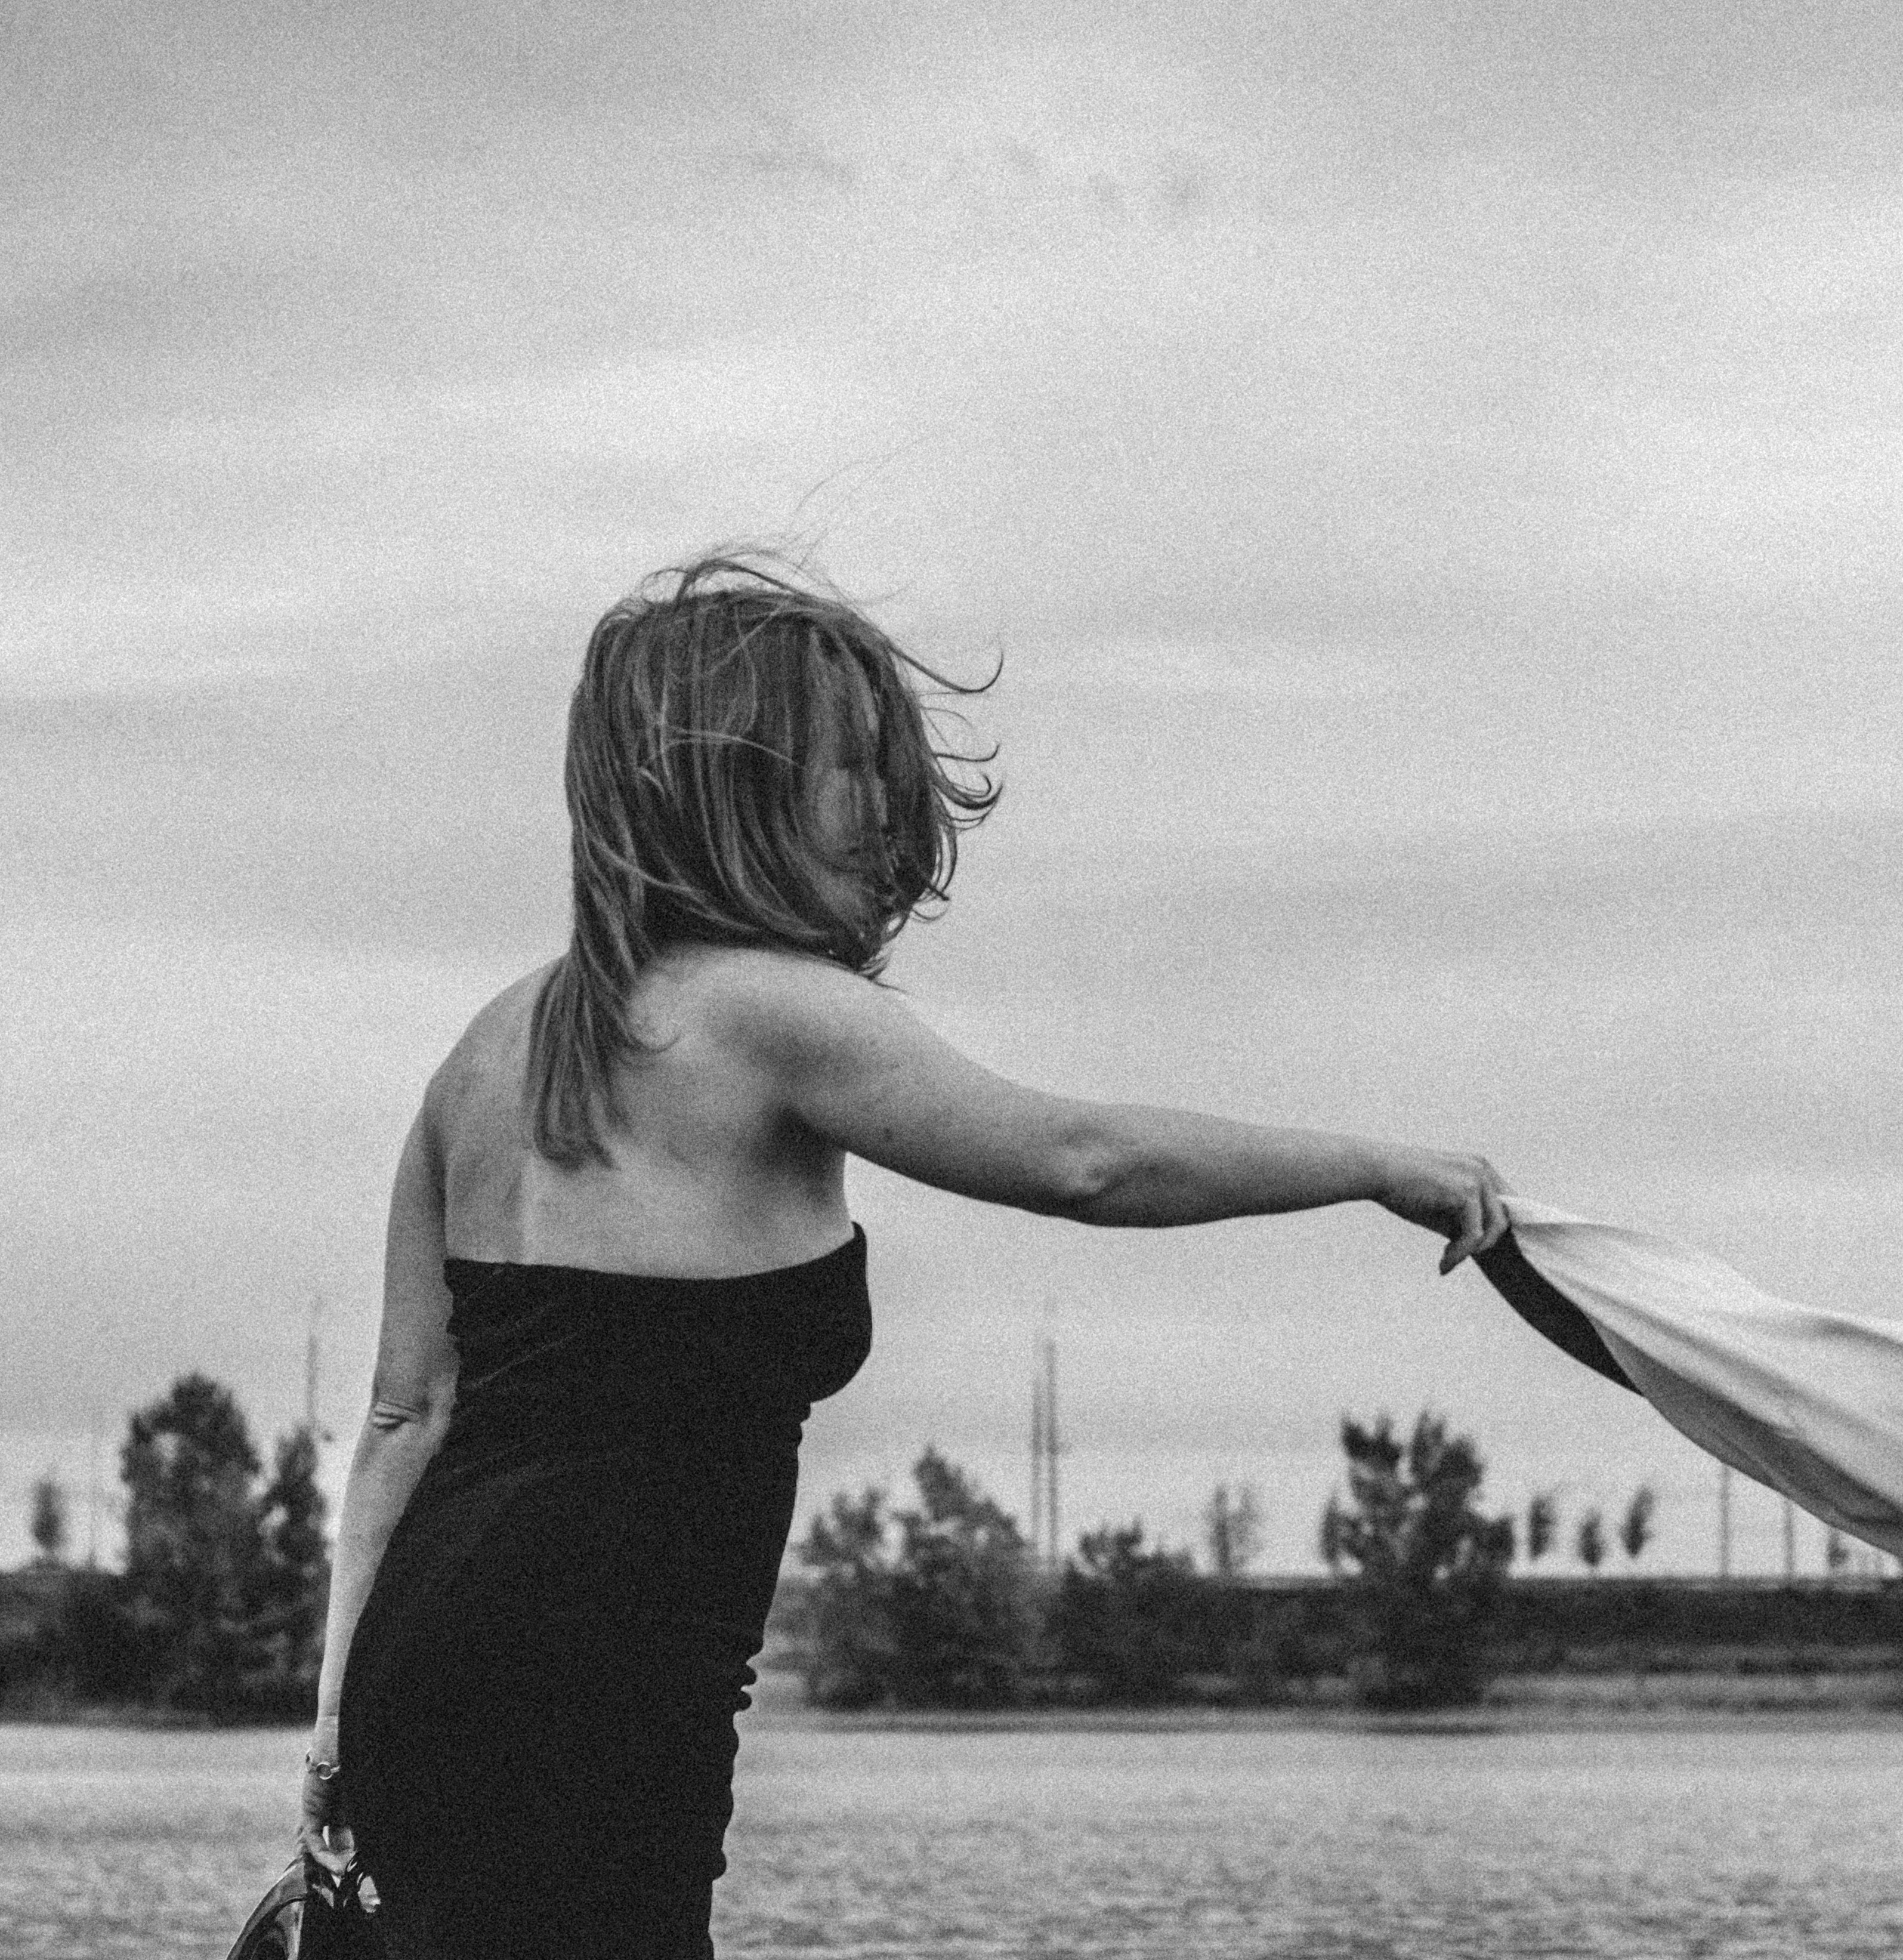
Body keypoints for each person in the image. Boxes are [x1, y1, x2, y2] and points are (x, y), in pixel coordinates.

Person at [297, 554, 1507, 1956]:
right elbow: (1084, 1160)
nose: (887, 804)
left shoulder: (481, 1050)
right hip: (599, 1694)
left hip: (421, 1667)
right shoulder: (773, 1014)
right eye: (851, 767)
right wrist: (1375, 1166)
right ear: (729, 785)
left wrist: (334, 1726)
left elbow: (405, 1413)